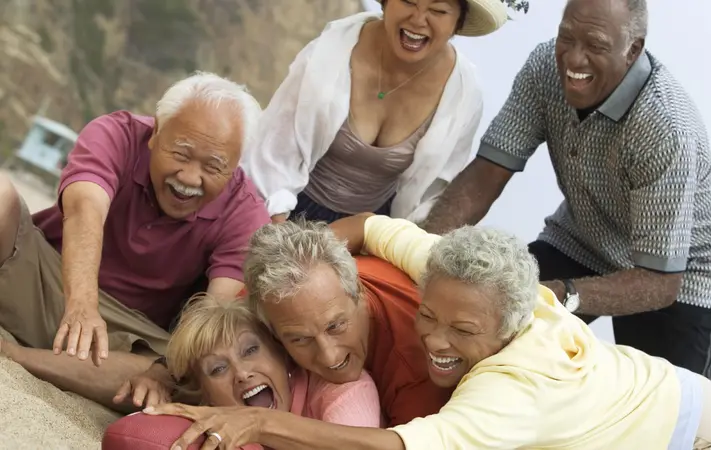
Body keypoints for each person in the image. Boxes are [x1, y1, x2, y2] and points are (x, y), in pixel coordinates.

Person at [144, 214, 711, 450]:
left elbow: (401, 448)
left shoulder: (509, 387)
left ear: (507, 325)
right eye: (429, 317)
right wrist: (312, 260)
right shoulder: (456, 274)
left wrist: (260, 421)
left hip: (693, 433)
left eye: (462, 330)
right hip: (645, 389)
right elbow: (373, 227)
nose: (435, 339)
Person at [420, 0, 711, 381]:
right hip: (584, 238)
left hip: (678, 276)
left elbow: (658, 282)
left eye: (596, 45)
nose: (574, 58)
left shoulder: (665, 128)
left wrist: (553, 295)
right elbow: (487, 173)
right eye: (566, 36)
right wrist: (425, 255)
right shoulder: (544, 68)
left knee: (666, 417)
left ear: (633, 49)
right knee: (493, 347)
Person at [0, 71, 270, 411]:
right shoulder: (117, 134)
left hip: (127, 339)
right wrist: (81, 304)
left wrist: (161, 373)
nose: (189, 178)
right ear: (156, 132)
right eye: (181, 154)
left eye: (213, 166)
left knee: (193, 371)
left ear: (235, 166)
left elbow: (212, 316)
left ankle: (14, 355)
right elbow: (86, 209)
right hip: (45, 274)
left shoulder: (246, 214)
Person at [126, 218, 451, 427]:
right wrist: (161, 369)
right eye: (299, 339)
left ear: (358, 297)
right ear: (277, 338)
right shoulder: (270, 294)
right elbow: (210, 341)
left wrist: (262, 425)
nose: (328, 357)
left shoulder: (417, 373)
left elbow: (368, 223)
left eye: (336, 326)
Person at [241, 0, 511, 224]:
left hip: (373, 233)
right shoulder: (331, 51)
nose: (418, 19)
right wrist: (278, 232)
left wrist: (382, 245)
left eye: (438, 10)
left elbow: (431, 198)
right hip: (282, 209)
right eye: (408, 1)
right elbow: (273, 157)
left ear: (458, 23)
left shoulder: (463, 95)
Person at [104, 293, 381, 440]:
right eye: (217, 369)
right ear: (206, 397)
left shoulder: (343, 390)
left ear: (282, 353)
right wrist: (154, 378)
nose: (241, 373)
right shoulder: (209, 415)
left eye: (250, 350)